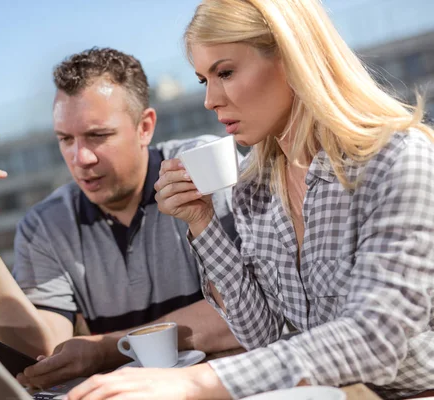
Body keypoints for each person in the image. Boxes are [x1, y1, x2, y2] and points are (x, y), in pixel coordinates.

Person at [65, 1, 434, 399]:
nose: (210, 100)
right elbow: (261, 333)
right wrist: (201, 222)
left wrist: (195, 381)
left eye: (225, 72)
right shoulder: (252, 188)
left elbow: (375, 338)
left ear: (292, 59)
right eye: (204, 80)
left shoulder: (398, 158)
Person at [0, 47, 240, 390]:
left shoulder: (206, 171)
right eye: (65, 139)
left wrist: (104, 349)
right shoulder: (45, 225)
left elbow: (246, 310)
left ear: (144, 127)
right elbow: (38, 358)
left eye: (97, 136)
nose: (79, 157)